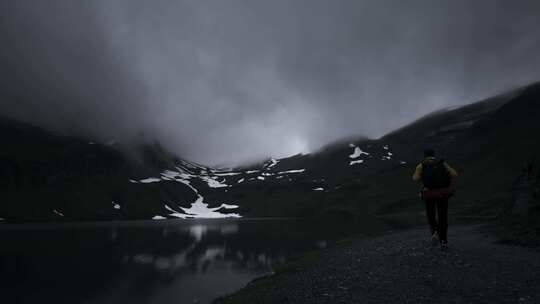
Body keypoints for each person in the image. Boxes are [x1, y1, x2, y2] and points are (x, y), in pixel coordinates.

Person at [412, 148, 458, 250]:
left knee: (431, 216)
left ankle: (435, 232)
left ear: (425, 155)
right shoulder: (442, 163)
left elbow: (415, 179)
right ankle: (444, 242)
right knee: (443, 217)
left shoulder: (421, 165)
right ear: (433, 155)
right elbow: (454, 174)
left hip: (429, 194)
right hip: (443, 194)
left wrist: (423, 177)